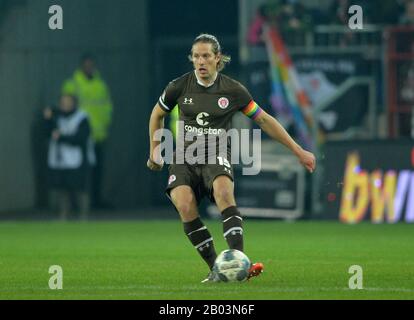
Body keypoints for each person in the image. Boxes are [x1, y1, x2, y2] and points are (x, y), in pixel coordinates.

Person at [147, 34, 316, 282]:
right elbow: (156, 114)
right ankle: (216, 269)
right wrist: (154, 150)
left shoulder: (233, 90)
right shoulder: (178, 86)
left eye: (206, 56)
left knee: (224, 194)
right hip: (184, 156)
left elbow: (264, 120)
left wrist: (298, 150)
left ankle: (239, 263)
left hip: (216, 153)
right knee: (184, 205)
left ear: (217, 58)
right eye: (196, 56)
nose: (201, 61)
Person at [62, 54, 113, 209]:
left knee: (97, 171)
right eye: (87, 65)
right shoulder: (72, 84)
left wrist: (105, 126)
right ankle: (74, 205)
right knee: (75, 172)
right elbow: (65, 107)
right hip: (78, 136)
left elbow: (107, 107)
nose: (89, 68)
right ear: (82, 66)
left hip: (97, 135)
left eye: (91, 65)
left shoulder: (101, 84)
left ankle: (95, 201)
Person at [44, 94, 95, 220]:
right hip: (60, 160)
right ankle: (63, 215)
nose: (65, 105)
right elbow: (47, 133)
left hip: (78, 160)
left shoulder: (81, 118)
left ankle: (83, 216)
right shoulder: (57, 118)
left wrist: (61, 138)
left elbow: (81, 138)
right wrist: (48, 119)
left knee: (80, 189)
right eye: (63, 102)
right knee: (62, 188)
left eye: (68, 102)